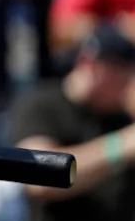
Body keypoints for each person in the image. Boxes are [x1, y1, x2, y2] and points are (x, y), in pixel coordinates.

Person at [8, 22, 135, 221]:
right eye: (121, 73)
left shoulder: (122, 113)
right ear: (88, 64)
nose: (127, 83)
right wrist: (119, 146)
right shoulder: (42, 104)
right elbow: (37, 177)